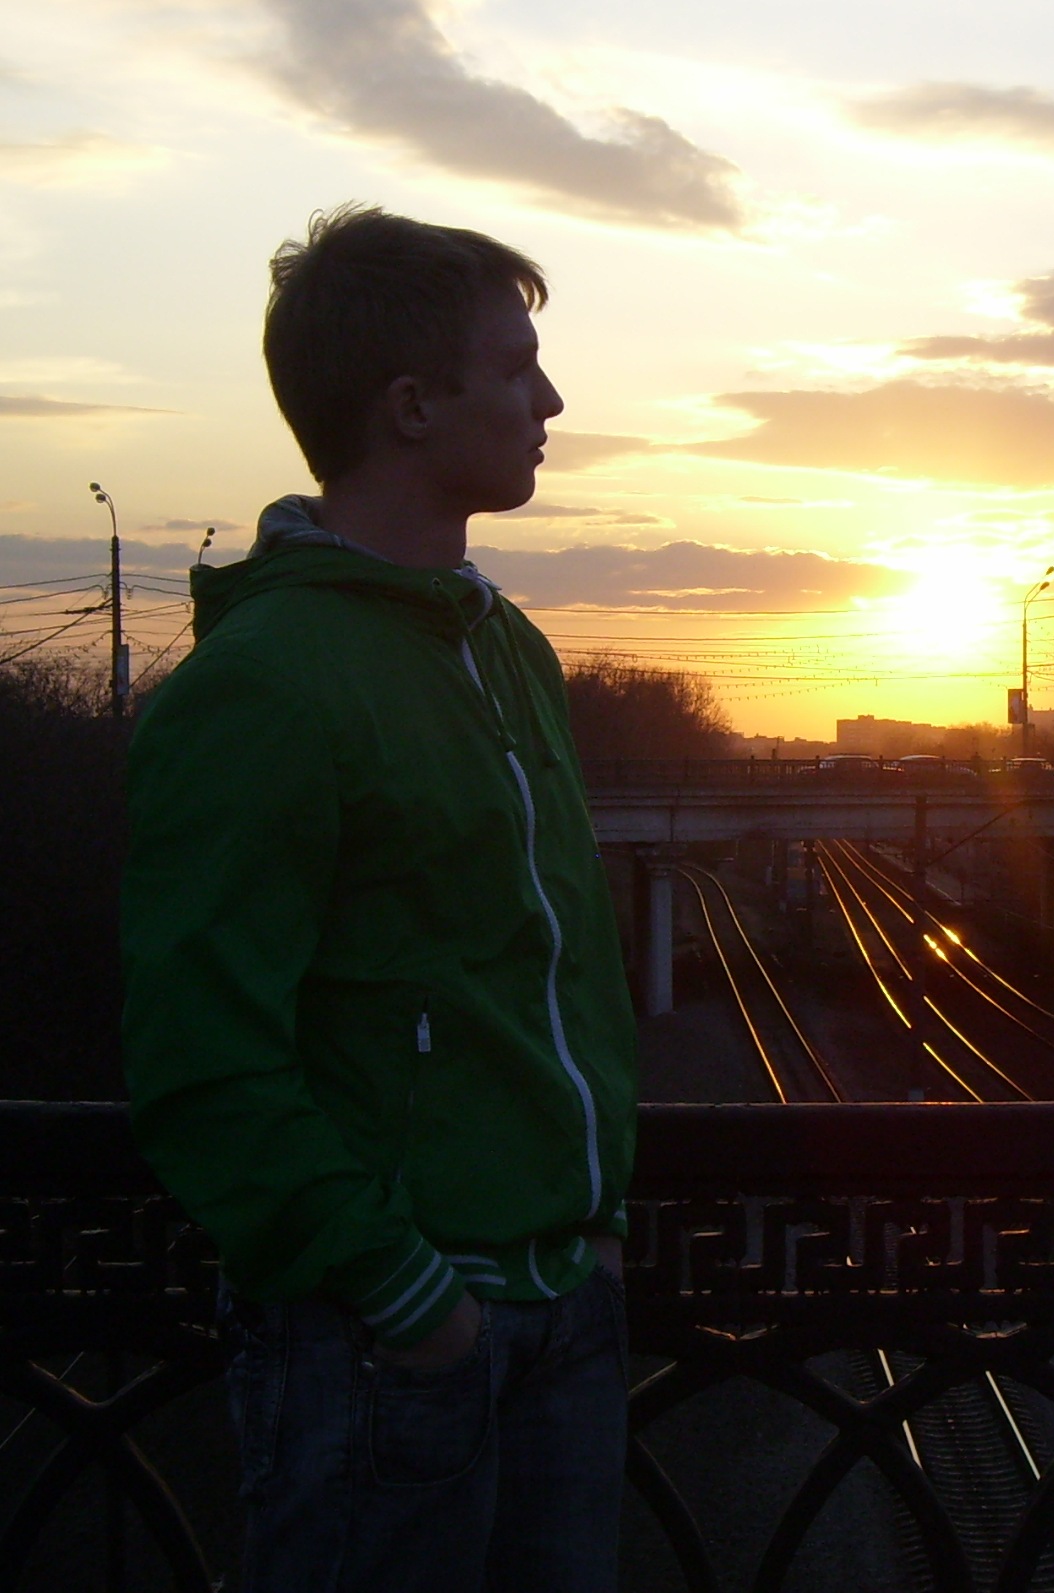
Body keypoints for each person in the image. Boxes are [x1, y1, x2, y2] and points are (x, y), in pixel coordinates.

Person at [121, 205, 638, 1592]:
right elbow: (200, 1055)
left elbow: (566, 959)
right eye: (516, 368)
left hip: (560, 1310)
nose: (550, 402)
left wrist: (597, 1225)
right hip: (386, 1344)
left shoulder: (510, 649)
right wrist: (407, 1298)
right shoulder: (263, 684)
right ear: (411, 405)